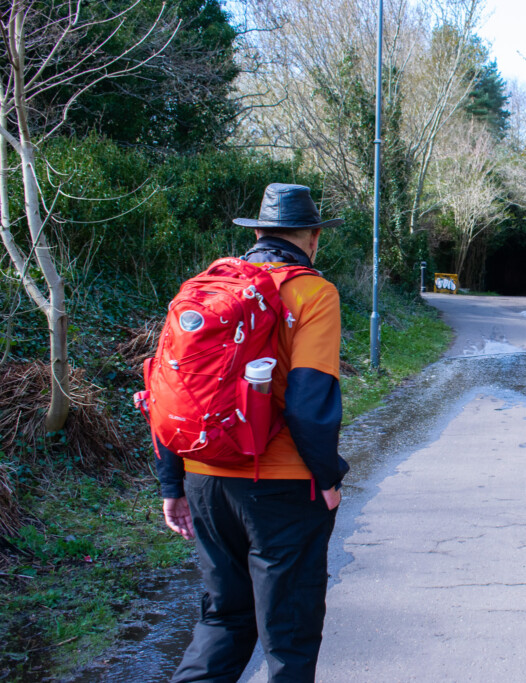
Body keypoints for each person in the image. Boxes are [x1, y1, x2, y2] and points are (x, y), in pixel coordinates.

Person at [155, 183, 349, 682]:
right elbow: (309, 402)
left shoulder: (202, 289)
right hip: (282, 487)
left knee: (223, 616)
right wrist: (328, 479)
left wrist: (172, 484)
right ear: (312, 239)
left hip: (204, 479)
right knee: (289, 633)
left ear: (258, 232)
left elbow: (168, 392)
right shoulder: (313, 292)